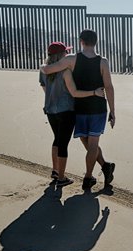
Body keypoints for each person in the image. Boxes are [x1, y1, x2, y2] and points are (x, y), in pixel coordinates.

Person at [41, 30, 116, 190]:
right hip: (97, 108)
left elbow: (47, 70)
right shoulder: (103, 62)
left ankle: (95, 173)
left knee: (86, 141)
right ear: (96, 42)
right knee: (92, 143)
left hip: (79, 108)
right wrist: (113, 111)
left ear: (81, 41)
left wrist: (43, 65)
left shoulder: (71, 59)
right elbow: (109, 87)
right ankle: (94, 173)